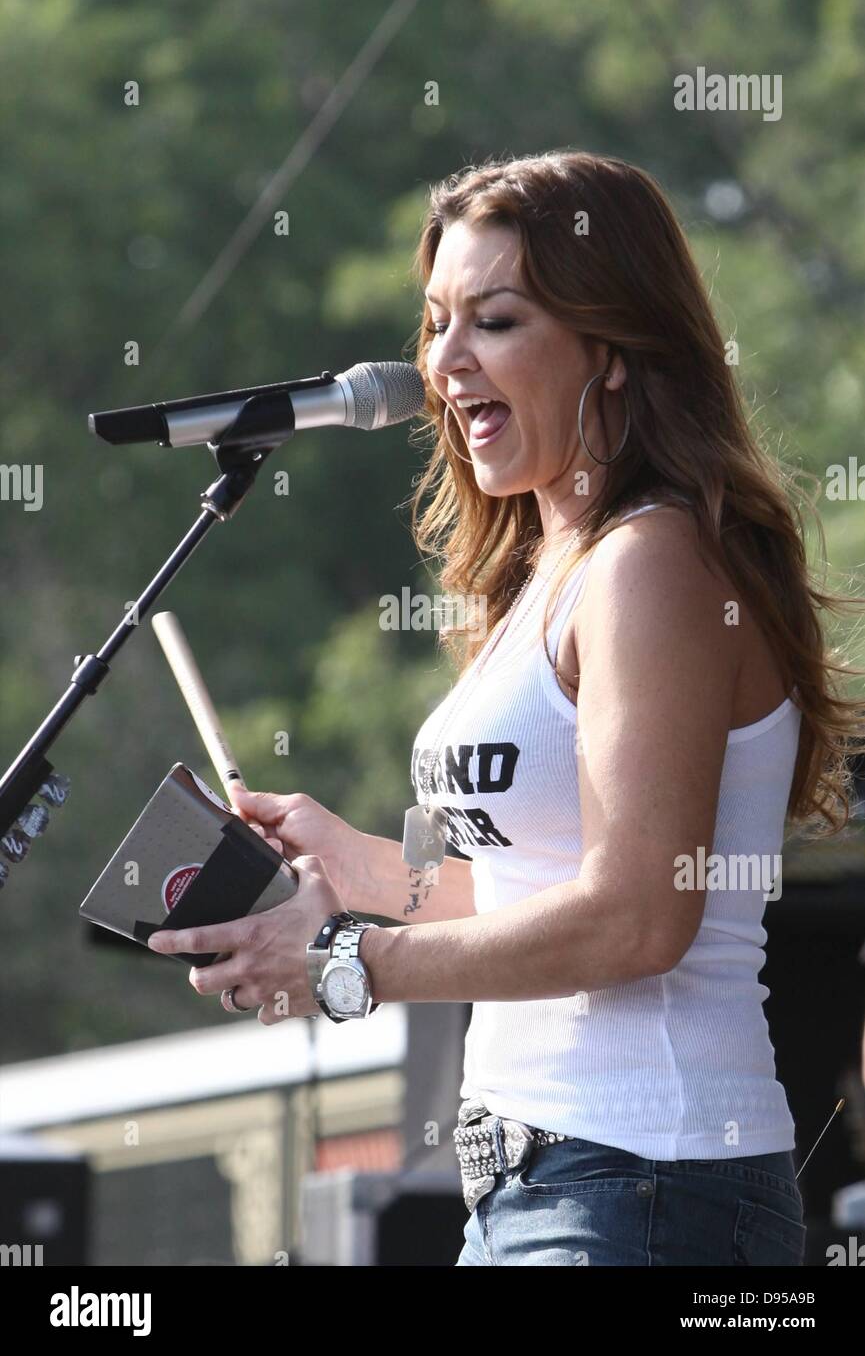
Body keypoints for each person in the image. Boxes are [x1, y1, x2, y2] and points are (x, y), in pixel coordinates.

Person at [148, 150, 865, 1266]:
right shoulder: (552, 567)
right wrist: (358, 862)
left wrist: (345, 961)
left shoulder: (652, 565)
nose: (441, 363)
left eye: (493, 320)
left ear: (613, 348)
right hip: (547, 1190)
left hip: (642, 1184)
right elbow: (525, 889)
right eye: (436, 323)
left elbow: (637, 917)